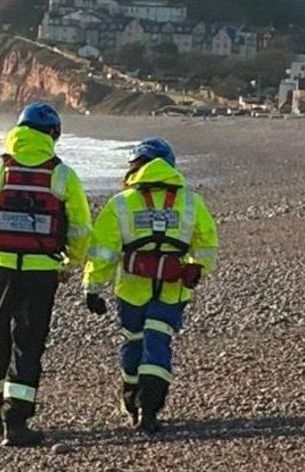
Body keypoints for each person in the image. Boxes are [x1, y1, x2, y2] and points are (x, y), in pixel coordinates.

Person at [0, 103, 92, 446]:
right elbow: (80, 228)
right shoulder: (62, 175)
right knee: (28, 344)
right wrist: (70, 264)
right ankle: (16, 421)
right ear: (53, 134)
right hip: (42, 270)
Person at [82, 137, 218, 433]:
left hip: (131, 289)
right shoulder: (191, 202)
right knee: (158, 342)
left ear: (134, 167)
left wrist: (92, 288)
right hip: (172, 290)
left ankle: (132, 401)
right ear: (169, 166)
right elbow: (206, 243)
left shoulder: (121, 203)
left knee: (134, 342)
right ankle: (150, 411)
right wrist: (198, 268)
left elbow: (104, 251)